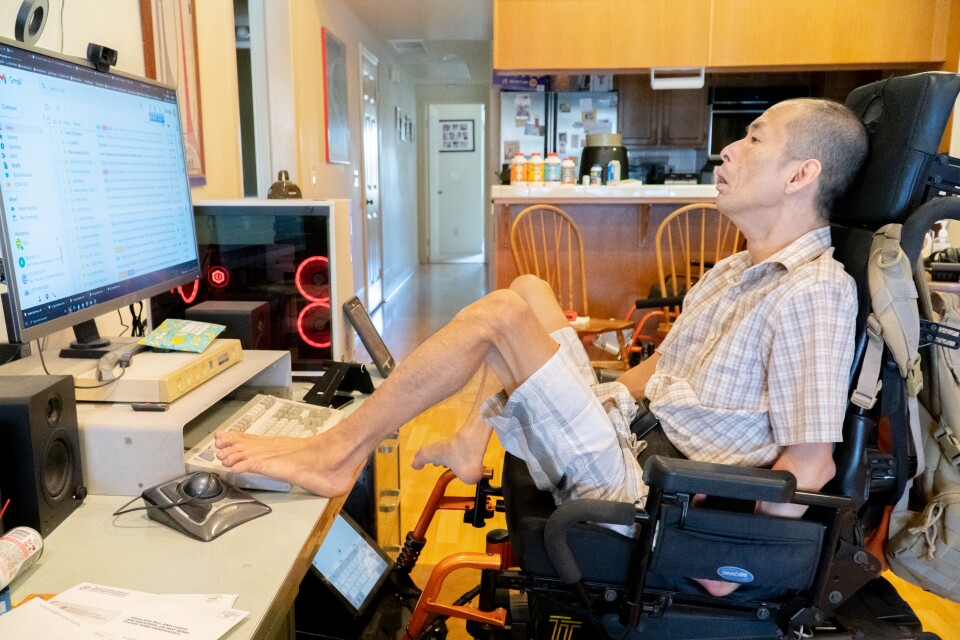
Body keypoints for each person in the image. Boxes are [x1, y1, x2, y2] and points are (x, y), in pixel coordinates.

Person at [215, 98, 868, 596]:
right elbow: (663, 371)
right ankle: (470, 442)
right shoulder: (734, 271)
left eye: (754, 139)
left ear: (800, 175)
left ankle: (336, 452)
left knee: (500, 315)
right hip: (630, 434)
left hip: (650, 493)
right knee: (527, 289)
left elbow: (809, 466)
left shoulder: (815, 292)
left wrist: (730, 565)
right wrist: (593, 387)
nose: (727, 150)